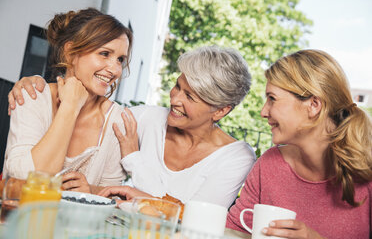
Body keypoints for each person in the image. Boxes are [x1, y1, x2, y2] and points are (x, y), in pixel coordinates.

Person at [7, 46, 256, 209]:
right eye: (178, 86)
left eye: (190, 97)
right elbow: (94, 114)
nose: (175, 99)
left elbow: (194, 221)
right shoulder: (149, 118)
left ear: (222, 110)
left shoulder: (236, 157)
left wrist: (133, 158)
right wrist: (38, 88)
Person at [226, 49, 372, 238]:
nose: (263, 111)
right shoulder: (269, 164)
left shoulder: (366, 171)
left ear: (313, 105)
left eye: (272, 99)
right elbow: (233, 231)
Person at [3, 8, 133, 194]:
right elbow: (23, 184)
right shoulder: (32, 96)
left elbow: (111, 195)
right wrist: (71, 106)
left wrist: (89, 189)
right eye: (105, 54)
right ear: (70, 51)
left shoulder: (117, 121)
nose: (115, 70)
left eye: (120, 59)